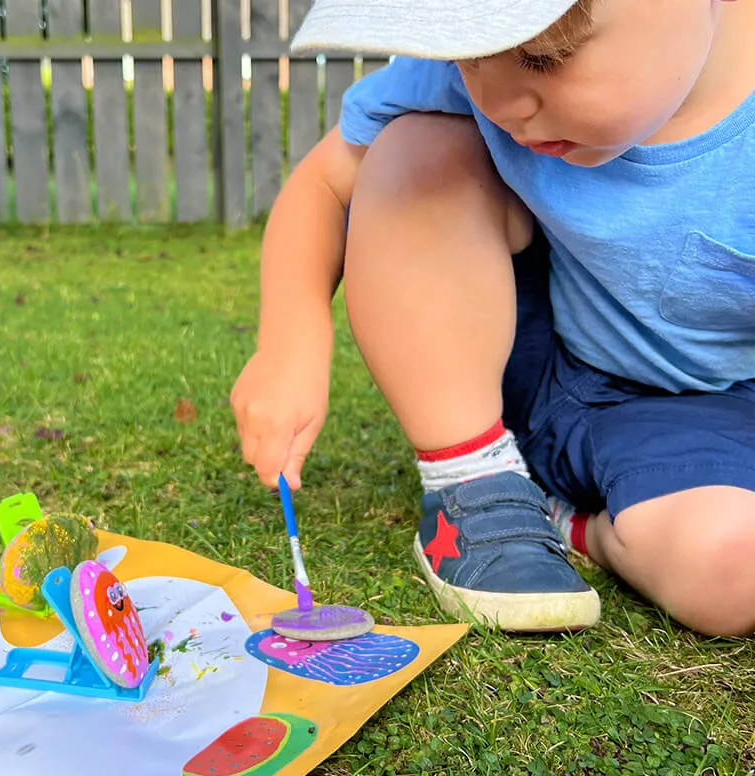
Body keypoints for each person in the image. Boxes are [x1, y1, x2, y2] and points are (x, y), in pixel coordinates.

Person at [230, 0, 755, 635]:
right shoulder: (474, 94)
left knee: (728, 570)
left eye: (544, 54)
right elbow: (326, 183)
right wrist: (290, 340)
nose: (501, 102)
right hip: (542, 370)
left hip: (711, 422)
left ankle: (577, 523)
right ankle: (471, 481)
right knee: (417, 146)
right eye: (468, 56)